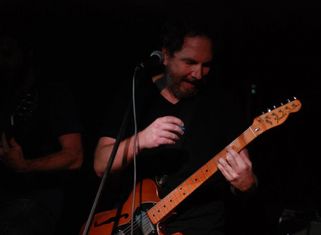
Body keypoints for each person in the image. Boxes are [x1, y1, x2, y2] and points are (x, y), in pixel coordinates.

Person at [93, 15, 257, 235]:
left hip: (198, 227)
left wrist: (247, 184)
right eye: (190, 62)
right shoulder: (135, 95)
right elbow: (100, 165)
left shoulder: (222, 106)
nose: (198, 74)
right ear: (166, 56)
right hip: (131, 225)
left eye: (205, 65)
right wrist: (141, 140)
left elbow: (244, 177)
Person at [0, 35, 83, 234]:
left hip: (37, 201)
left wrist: (25, 165)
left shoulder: (52, 92)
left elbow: (75, 156)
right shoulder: (7, 93)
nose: (3, 62)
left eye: (8, 54)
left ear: (26, 53)